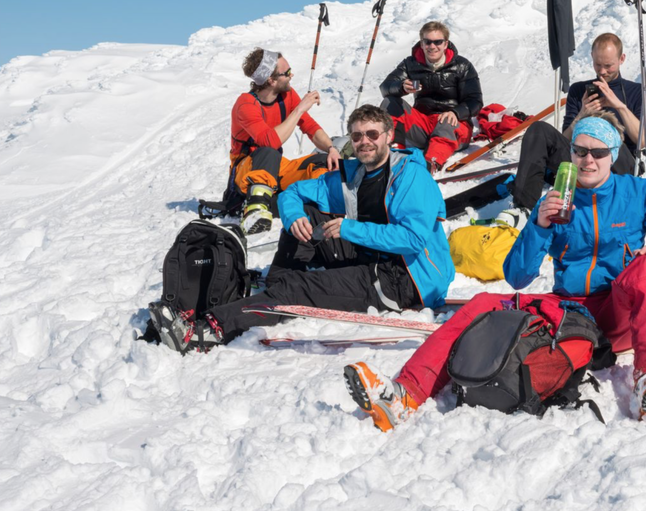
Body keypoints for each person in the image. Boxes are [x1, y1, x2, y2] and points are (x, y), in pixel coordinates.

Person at [343, 111, 646, 431]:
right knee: (482, 303)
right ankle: (404, 394)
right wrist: (540, 225)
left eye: (598, 152)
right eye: (580, 151)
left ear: (613, 155)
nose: (588, 160)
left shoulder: (638, 192)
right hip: (571, 312)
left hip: (619, 310)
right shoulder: (556, 199)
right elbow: (517, 276)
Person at [150, 104, 455, 353]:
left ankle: (210, 330)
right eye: (357, 136)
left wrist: (350, 229)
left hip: (405, 279)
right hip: (371, 254)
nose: (365, 142)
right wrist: (296, 217)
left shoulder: (410, 177)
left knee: (299, 289)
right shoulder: (354, 174)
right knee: (308, 214)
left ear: (388, 136)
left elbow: (413, 239)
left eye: (372, 134)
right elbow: (291, 194)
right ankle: (277, 287)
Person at [443, 33, 643, 219]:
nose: (602, 71)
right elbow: (564, 140)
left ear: (622, 59)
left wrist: (619, 106)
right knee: (538, 129)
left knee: (608, 134)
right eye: (597, 64)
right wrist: (582, 114)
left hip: (617, 167)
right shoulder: (579, 90)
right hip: (581, 160)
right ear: (591, 57)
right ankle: (523, 208)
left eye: (608, 65)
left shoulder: (635, 91)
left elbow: (643, 140)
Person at [229, 48, 338, 234]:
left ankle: (318, 203)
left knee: (322, 162)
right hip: (247, 170)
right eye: (286, 72)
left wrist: (331, 148)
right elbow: (269, 141)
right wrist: (299, 109)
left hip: (276, 167)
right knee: (268, 152)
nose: (291, 74)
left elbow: (310, 127)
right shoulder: (246, 104)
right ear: (271, 80)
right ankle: (255, 209)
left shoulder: (286, 96)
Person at [379, 21, 484, 172]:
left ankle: (430, 163)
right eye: (427, 42)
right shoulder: (411, 64)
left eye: (438, 42)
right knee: (390, 102)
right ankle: (394, 152)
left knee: (446, 121)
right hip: (423, 125)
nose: (432, 46)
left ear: (445, 43)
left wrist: (456, 112)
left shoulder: (462, 66)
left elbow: (475, 101)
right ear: (421, 44)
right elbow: (385, 87)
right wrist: (400, 87)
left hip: (455, 125)